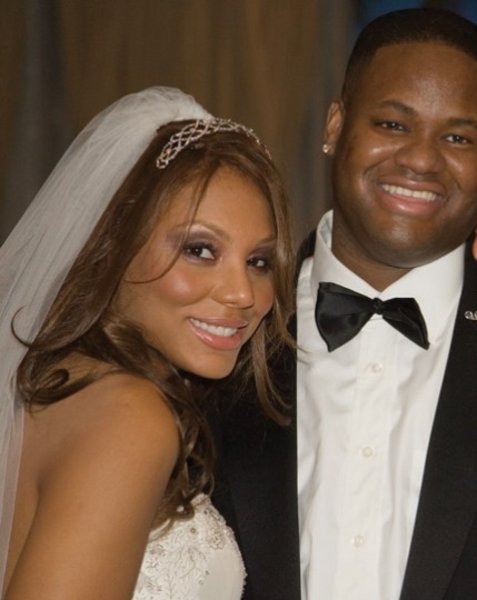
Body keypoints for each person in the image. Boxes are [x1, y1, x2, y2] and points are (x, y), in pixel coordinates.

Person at [211, 8, 477, 600]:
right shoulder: (220, 327)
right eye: (393, 124)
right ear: (335, 126)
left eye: (457, 137)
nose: (421, 159)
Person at [0, 86, 297, 599]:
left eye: (259, 262)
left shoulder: (55, 382)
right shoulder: (130, 414)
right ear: (117, 242)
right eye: (200, 250)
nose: (242, 293)